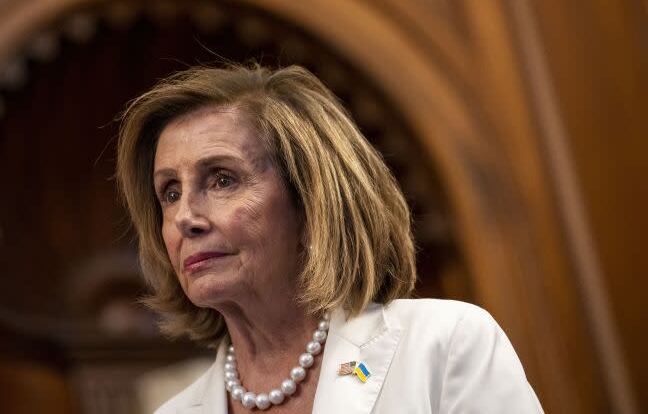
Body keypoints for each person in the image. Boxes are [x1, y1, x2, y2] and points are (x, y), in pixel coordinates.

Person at [116, 62, 543, 413]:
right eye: (169, 192)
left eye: (223, 179)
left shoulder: (444, 344)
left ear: (309, 200)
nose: (185, 217)